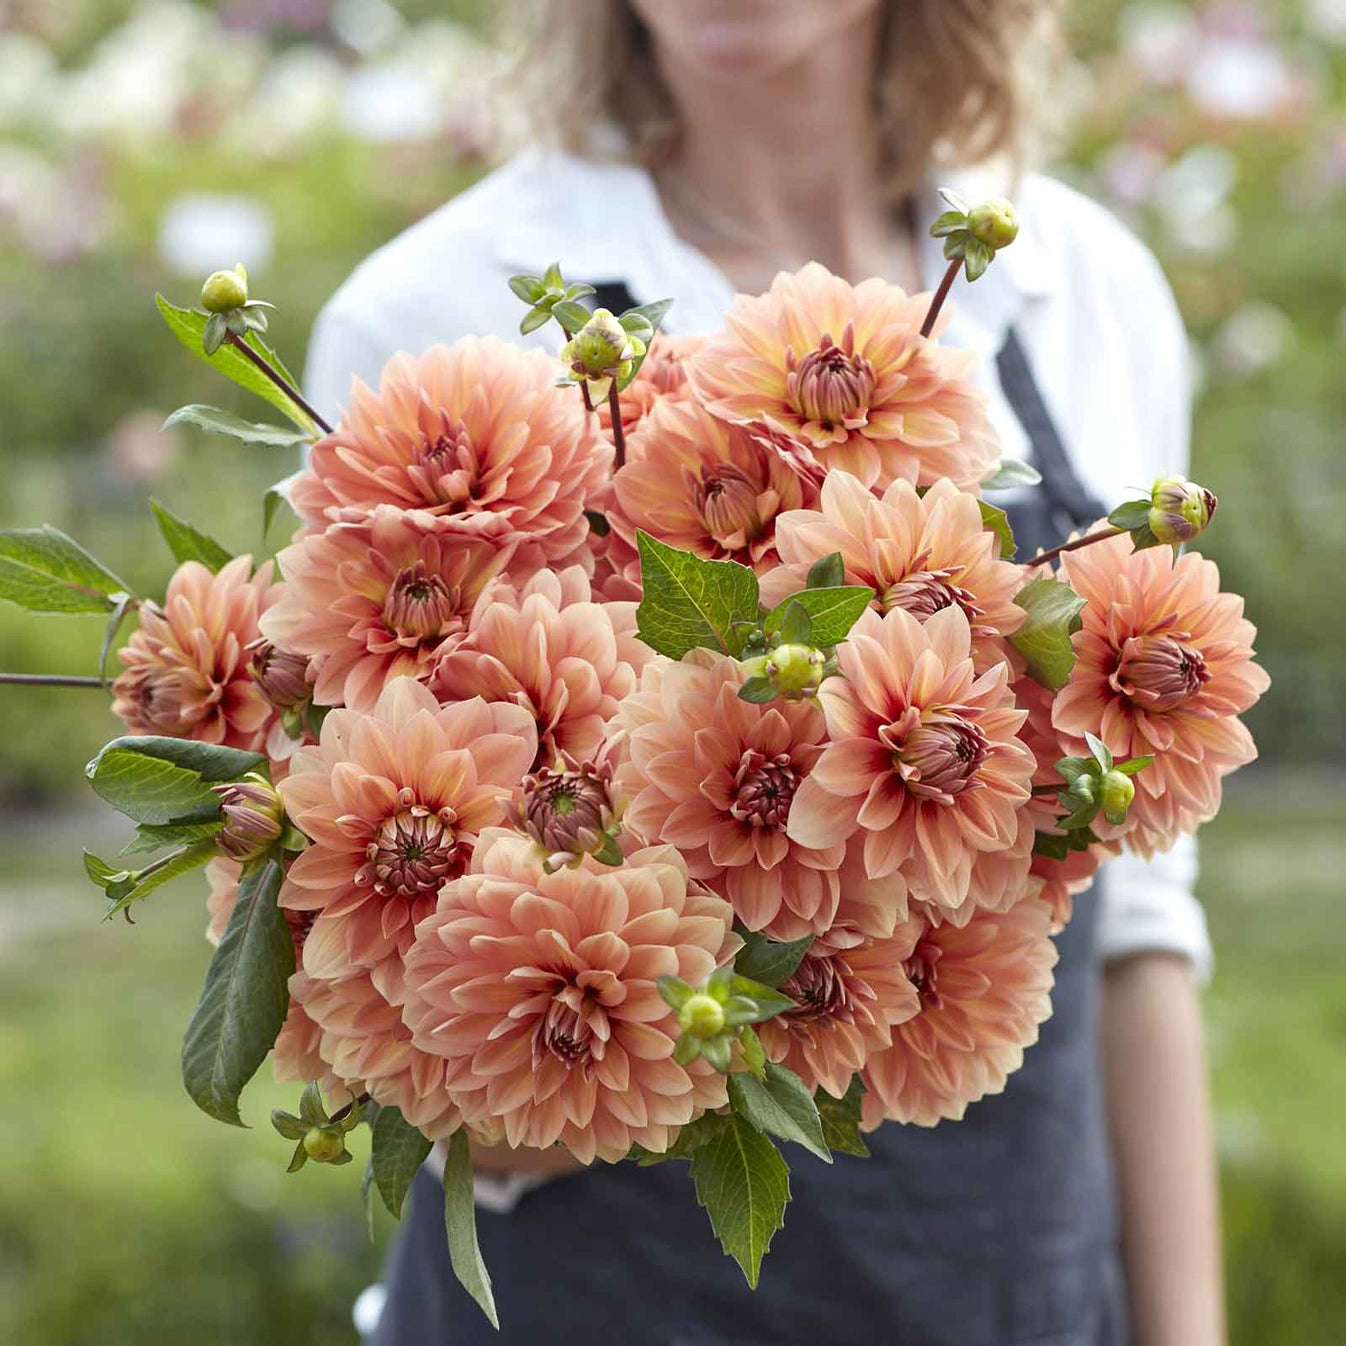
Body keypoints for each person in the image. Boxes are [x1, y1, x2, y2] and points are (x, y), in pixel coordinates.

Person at [304, 3, 1225, 1342]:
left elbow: (1137, 917)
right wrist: (642, 1027)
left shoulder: (1080, 286)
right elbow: (368, 986)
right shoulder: (429, 317)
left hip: (1007, 1285)